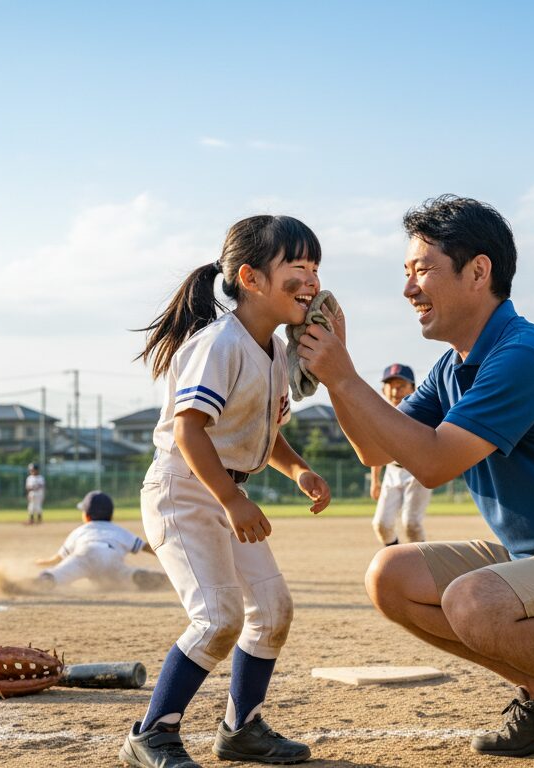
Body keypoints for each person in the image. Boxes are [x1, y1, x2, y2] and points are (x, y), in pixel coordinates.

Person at [297, 196, 534, 768]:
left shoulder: (525, 353)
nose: (409, 290)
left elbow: (431, 463)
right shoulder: (454, 367)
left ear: (479, 272)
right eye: (406, 274)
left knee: (473, 599)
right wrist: (337, 376)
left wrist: (345, 374)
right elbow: (375, 447)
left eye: (422, 270)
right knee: (391, 575)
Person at [119, 215, 333, 768]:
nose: (311, 280)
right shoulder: (219, 342)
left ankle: (241, 729)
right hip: (183, 490)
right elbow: (190, 429)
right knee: (218, 617)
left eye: (315, 267)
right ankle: (152, 734)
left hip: (220, 488)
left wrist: (297, 470)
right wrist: (233, 499)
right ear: (251, 277)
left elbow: (262, 433)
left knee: (273, 609)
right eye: (297, 266)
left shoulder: (274, 352)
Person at [29, 490, 168, 592]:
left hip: (85, 555)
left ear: (87, 516)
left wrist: (40, 562)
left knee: (57, 574)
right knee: (126, 574)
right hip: (111, 556)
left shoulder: (81, 530)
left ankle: (42, 581)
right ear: (111, 515)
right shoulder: (117, 530)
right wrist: (167, 556)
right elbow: (145, 547)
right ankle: (152, 578)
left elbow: (57, 559)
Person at [369, 363, 432, 546]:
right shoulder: (378, 415)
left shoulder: (422, 412)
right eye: (391, 385)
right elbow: (376, 450)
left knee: (411, 524)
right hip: (392, 472)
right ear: (383, 389)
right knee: (381, 524)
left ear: (413, 388)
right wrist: (375, 480)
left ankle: (421, 563)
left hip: (417, 472)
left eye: (401, 385)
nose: (395, 390)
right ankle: (397, 556)